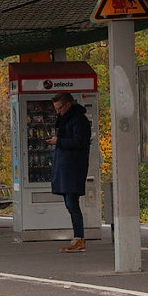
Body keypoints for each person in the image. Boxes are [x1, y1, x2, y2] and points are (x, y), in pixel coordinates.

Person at [46, 92, 91, 253]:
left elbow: (80, 142)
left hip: (73, 167)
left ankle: (79, 238)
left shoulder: (79, 121)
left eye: (59, 108)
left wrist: (59, 141)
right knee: (69, 203)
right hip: (66, 166)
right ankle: (78, 237)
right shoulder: (66, 120)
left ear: (68, 105)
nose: (58, 112)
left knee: (72, 203)